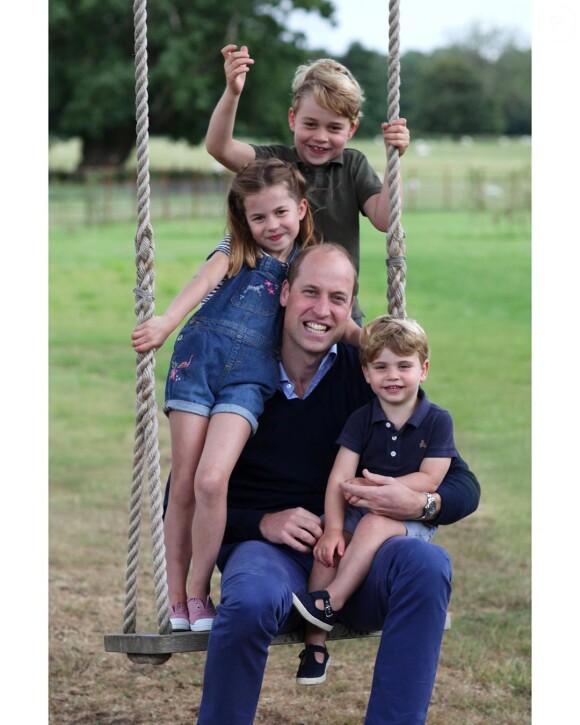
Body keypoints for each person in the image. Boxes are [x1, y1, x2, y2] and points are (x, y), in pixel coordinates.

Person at [196, 244, 481, 724]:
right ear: (285, 293)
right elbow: (182, 497)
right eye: (310, 292)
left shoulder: (366, 374)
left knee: (426, 563)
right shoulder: (240, 373)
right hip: (272, 555)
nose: (322, 310)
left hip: (359, 556)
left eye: (338, 297)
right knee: (248, 599)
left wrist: (418, 502)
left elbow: (462, 485)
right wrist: (262, 522)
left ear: (350, 309)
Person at [130, 158, 322, 633]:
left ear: (300, 208)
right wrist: (166, 322)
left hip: (250, 377)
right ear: (245, 219)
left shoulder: (307, 262)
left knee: (213, 481)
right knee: (185, 482)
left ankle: (199, 592)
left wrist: (374, 342)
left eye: (280, 213)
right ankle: (177, 600)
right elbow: (203, 282)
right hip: (198, 362)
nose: (271, 226)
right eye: (259, 217)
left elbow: (328, 313)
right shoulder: (236, 247)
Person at [291, 315, 458, 685]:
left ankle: (332, 599)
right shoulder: (362, 419)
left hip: (409, 517)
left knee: (374, 522)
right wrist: (333, 529)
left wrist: (385, 491)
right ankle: (315, 644)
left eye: (404, 366)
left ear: (424, 369)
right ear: (366, 373)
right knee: (327, 549)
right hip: (360, 506)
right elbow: (339, 477)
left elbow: (432, 478)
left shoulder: (437, 421)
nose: (393, 376)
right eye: (381, 367)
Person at [205, 47, 411, 323]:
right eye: (311, 124)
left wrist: (393, 159)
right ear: (293, 119)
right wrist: (233, 92)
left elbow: (385, 219)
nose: (321, 137)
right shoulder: (276, 163)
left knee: (349, 364)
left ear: (351, 130)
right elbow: (220, 148)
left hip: (338, 311)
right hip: (277, 311)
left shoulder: (353, 165)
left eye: (334, 128)